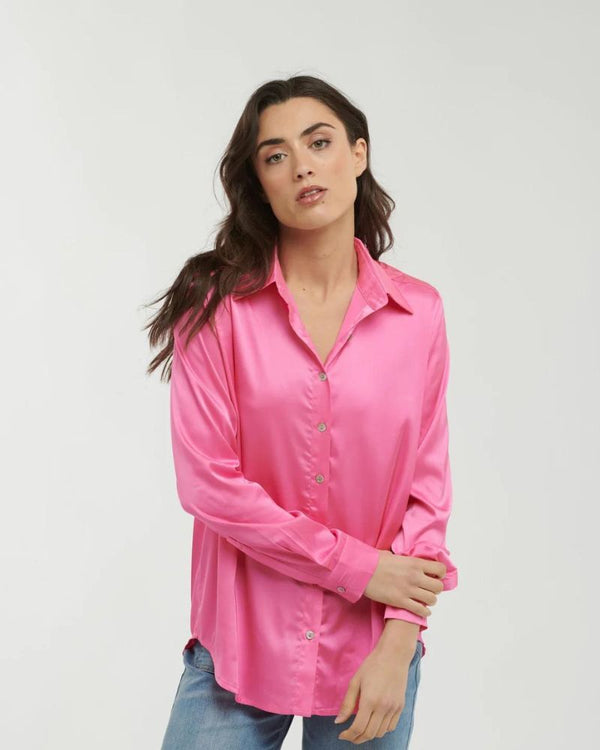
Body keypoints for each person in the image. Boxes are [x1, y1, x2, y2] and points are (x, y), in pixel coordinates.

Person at [145, 74, 459, 748]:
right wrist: (361, 568)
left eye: (319, 143)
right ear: (259, 182)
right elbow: (209, 485)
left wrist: (399, 646)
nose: (302, 166)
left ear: (358, 153)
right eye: (275, 155)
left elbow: (427, 496)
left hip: (371, 660)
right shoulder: (215, 306)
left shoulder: (418, 313)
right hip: (237, 657)